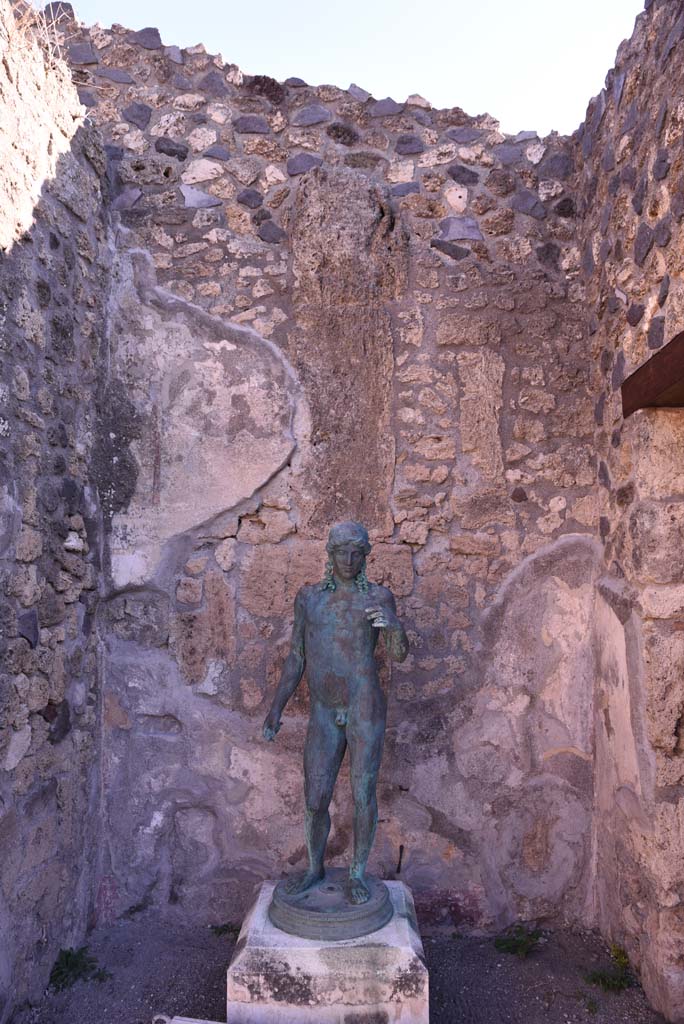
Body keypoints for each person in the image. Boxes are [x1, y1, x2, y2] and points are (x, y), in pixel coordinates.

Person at [263, 521, 409, 904]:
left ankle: (358, 873)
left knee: (363, 792)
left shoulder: (379, 597)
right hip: (324, 710)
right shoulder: (309, 598)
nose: (348, 559)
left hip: (364, 705)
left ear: (365, 556)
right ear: (329, 553)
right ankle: (315, 867)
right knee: (315, 797)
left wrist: (394, 627)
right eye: (342, 551)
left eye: (356, 552)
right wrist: (276, 708)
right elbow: (297, 655)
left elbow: (397, 655)